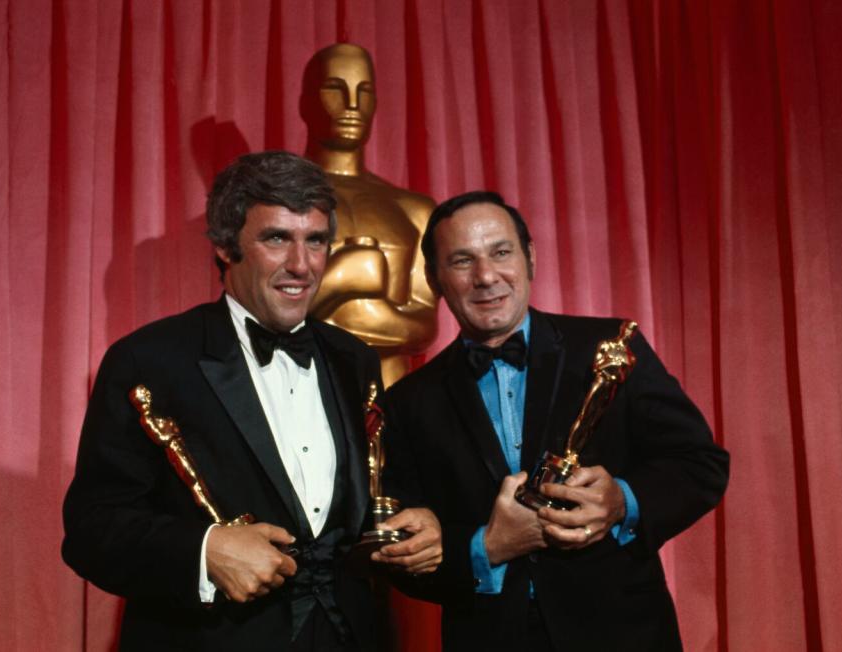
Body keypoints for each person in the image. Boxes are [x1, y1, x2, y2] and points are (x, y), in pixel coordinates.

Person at [62, 151, 442, 652]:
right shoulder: (148, 360)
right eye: (277, 238)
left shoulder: (355, 360)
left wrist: (421, 526)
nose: (301, 266)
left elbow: (371, 501)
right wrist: (205, 552)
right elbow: (92, 530)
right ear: (225, 245)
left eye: (316, 241)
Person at [382, 191, 729, 651]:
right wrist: (485, 548)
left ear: (530, 258)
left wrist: (621, 502)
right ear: (434, 279)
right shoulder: (407, 402)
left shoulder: (612, 347)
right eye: (462, 261)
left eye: (501, 252)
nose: (486, 277)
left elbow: (700, 463)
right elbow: (402, 553)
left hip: (623, 634)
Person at [302, 43, 437, 387]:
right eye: (335, 88)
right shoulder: (276, 204)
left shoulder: (415, 210)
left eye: (364, 92)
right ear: (305, 102)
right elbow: (257, 315)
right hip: (300, 389)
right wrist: (340, 277)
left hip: (392, 402)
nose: (351, 106)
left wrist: (362, 313)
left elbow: (425, 325)